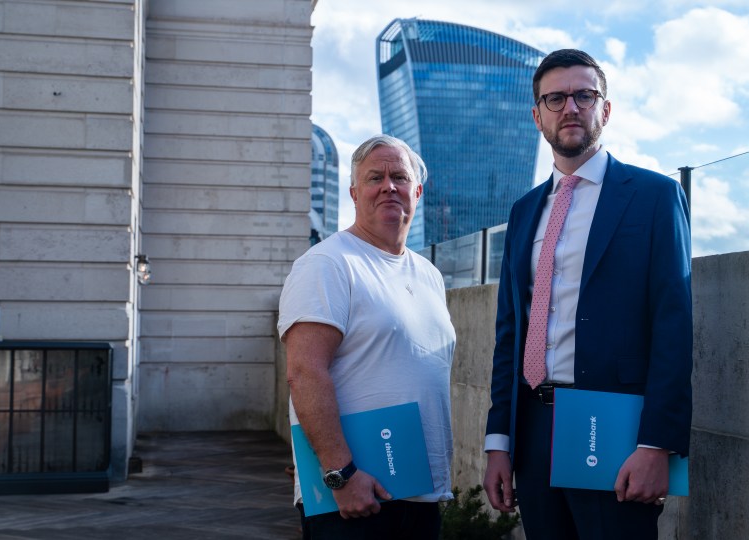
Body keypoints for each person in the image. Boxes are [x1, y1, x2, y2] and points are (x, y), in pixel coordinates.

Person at [482, 49, 693, 539]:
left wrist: (657, 444)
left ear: (605, 108)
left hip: (616, 431)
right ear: (538, 116)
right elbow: (509, 334)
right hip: (534, 430)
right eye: (555, 98)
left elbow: (673, 324)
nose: (570, 108)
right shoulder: (523, 211)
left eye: (583, 95)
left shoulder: (654, 196)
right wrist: (500, 441)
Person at [279, 134, 457, 539]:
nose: (388, 186)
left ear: (418, 191)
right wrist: (341, 475)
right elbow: (304, 372)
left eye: (399, 176)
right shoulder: (327, 264)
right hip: (353, 501)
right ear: (354, 192)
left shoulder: (429, 274)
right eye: (375, 177)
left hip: (419, 495)